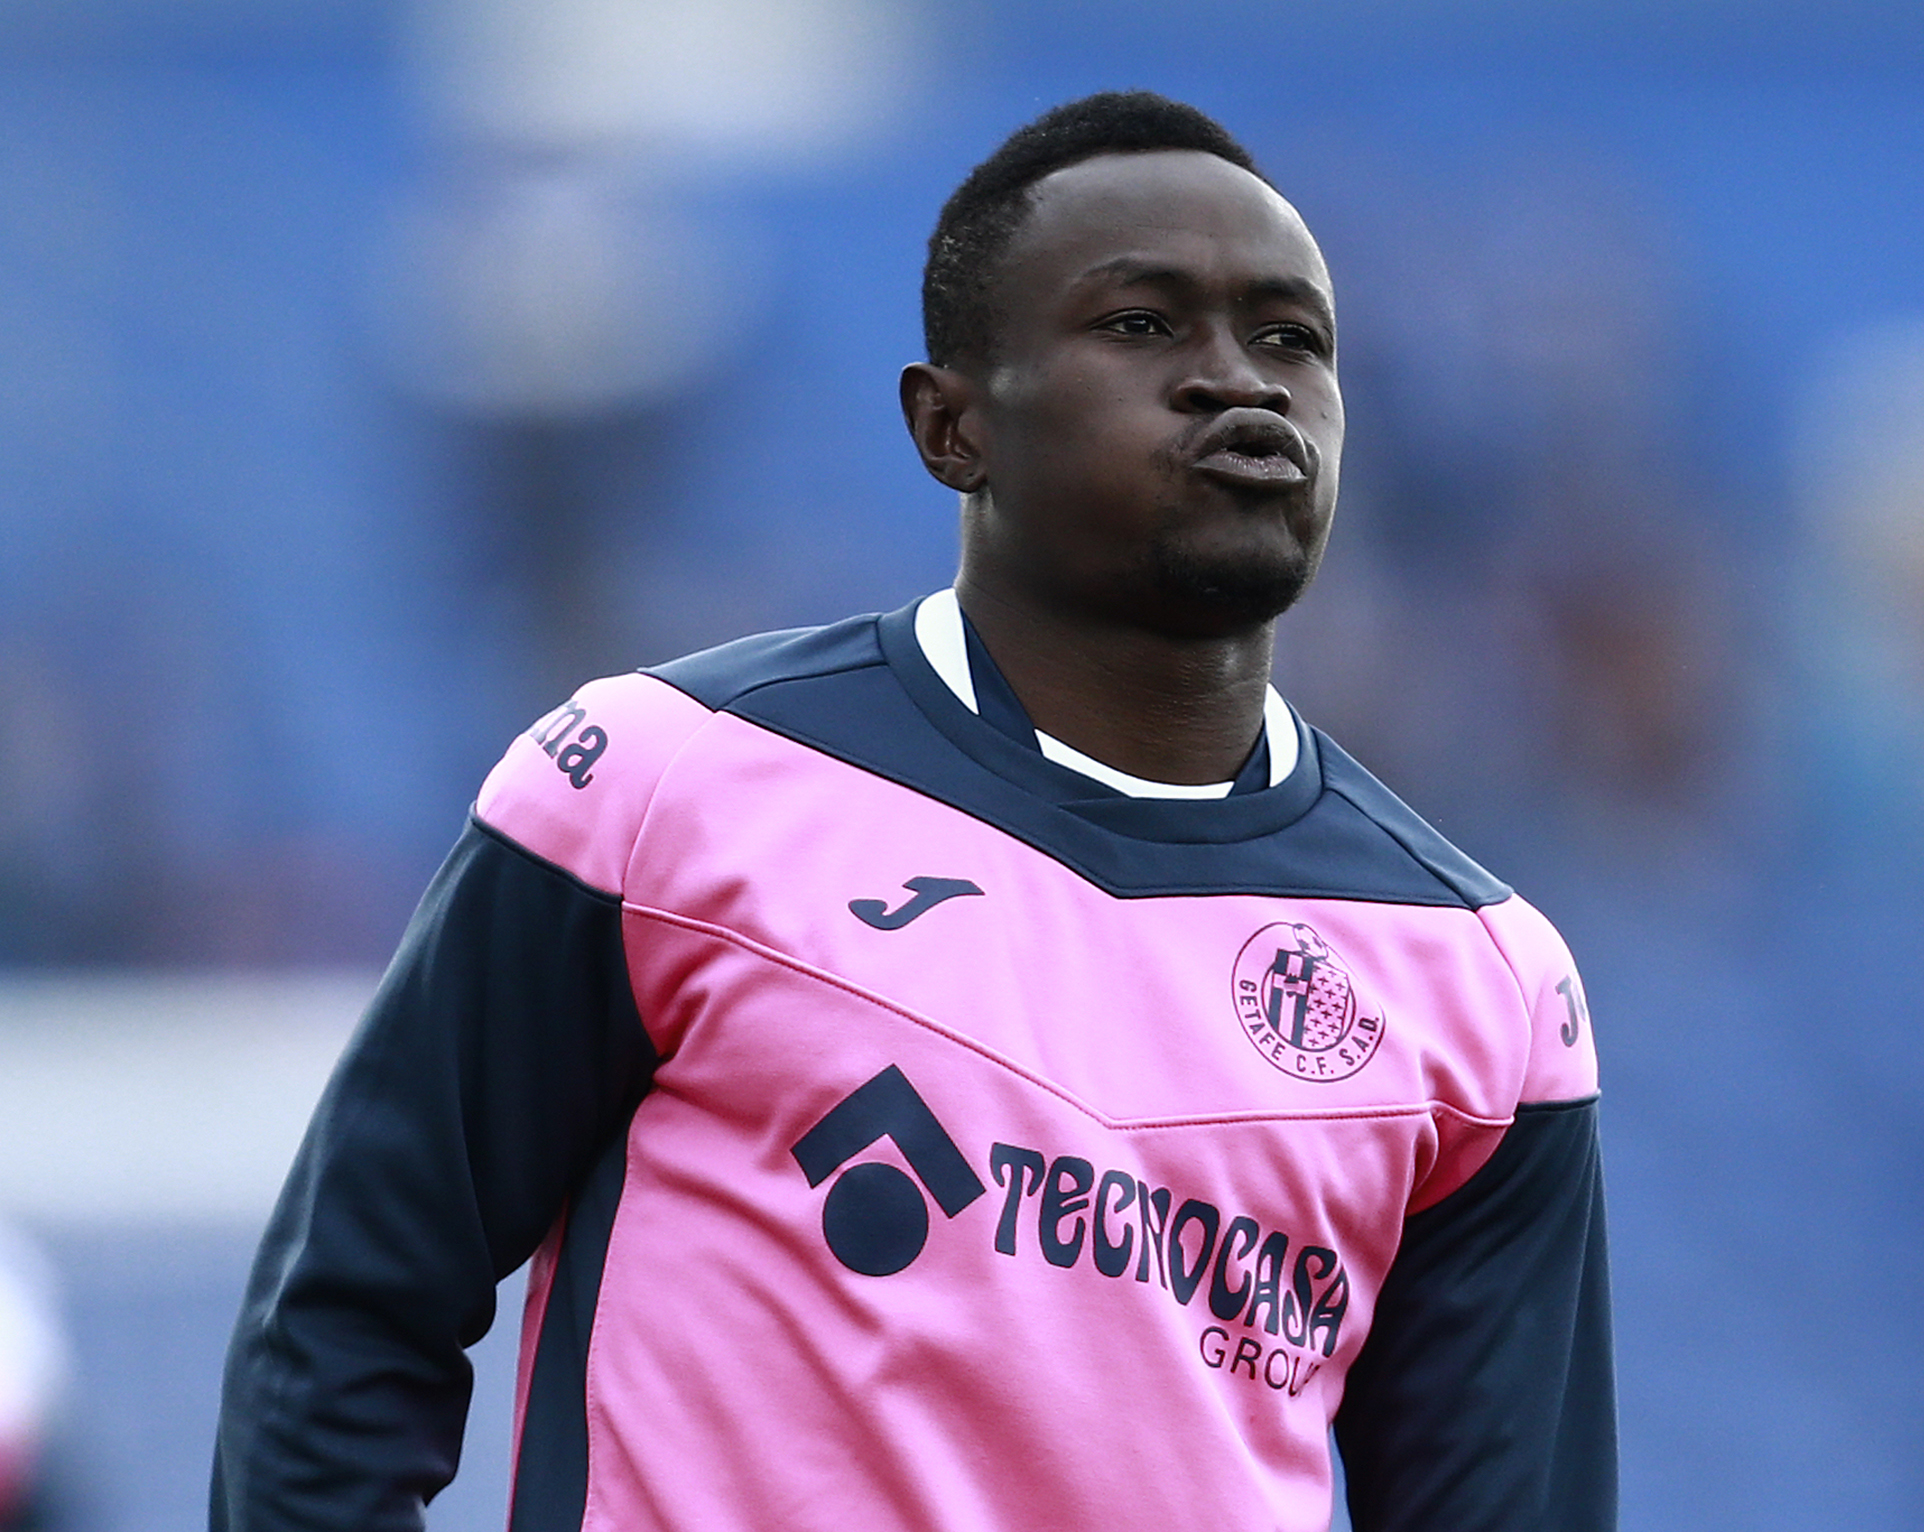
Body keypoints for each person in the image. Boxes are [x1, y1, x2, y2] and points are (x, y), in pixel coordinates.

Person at [210, 91, 1614, 1532]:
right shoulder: (659, 791)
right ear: (952, 427)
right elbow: (347, 1323)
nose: (1237, 382)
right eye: (1143, 326)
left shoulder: (1480, 985)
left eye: (1290, 339)